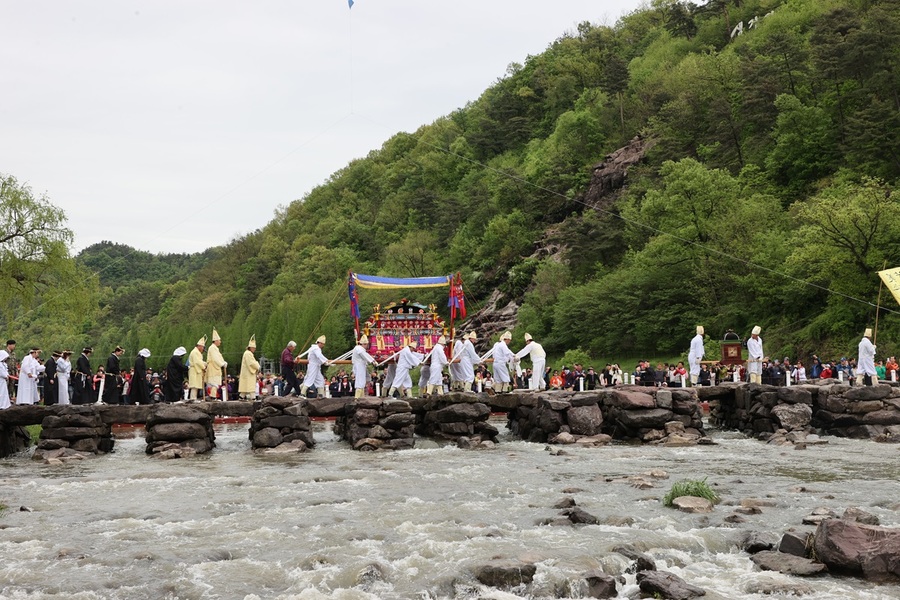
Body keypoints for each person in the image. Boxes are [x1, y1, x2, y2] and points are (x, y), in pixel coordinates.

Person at [205, 329, 227, 400]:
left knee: (215, 383)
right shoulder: (212, 348)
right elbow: (215, 359)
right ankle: (213, 397)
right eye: (219, 340)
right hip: (213, 367)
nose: (220, 342)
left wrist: (223, 362)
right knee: (214, 383)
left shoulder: (215, 348)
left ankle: (212, 396)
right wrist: (222, 364)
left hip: (215, 367)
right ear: (216, 341)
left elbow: (219, 357)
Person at [239, 335, 260, 400]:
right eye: (253, 348)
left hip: (247, 372)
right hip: (248, 373)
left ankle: (241, 396)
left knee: (246, 385)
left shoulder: (248, 353)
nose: (254, 349)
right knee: (250, 385)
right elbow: (251, 363)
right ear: (250, 348)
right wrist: (258, 366)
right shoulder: (248, 354)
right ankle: (253, 397)